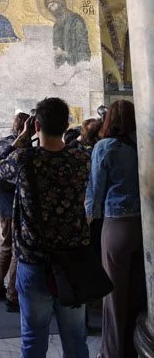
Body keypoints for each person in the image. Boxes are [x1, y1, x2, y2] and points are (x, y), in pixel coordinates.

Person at [0, 98, 91, 358]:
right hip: (73, 261)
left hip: (35, 260)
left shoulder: (25, 159)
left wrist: (23, 136)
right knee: (76, 339)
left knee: (34, 341)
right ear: (67, 123)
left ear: (36, 125)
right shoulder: (80, 158)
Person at [85, 100, 144, 358]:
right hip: (144, 227)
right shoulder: (144, 146)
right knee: (139, 293)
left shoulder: (105, 147)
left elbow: (95, 193)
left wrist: (88, 222)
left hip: (116, 225)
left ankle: (111, 352)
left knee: (114, 296)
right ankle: (136, 347)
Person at [0, 112, 29, 312]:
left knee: (6, 244)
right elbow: (10, 173)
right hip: (12, 204)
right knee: (15, 249)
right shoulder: (14, 147)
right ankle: (13, 294)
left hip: (2, 203)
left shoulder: (0, 143)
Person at [44, 0, 90, 67]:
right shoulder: (56, 26)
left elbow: (83, 51)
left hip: (77, 66)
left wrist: (64, 53)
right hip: (63, 69)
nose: (52, 10)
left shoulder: (75, 20)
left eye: (52, 5)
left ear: (60, 3)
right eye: (49, 9)